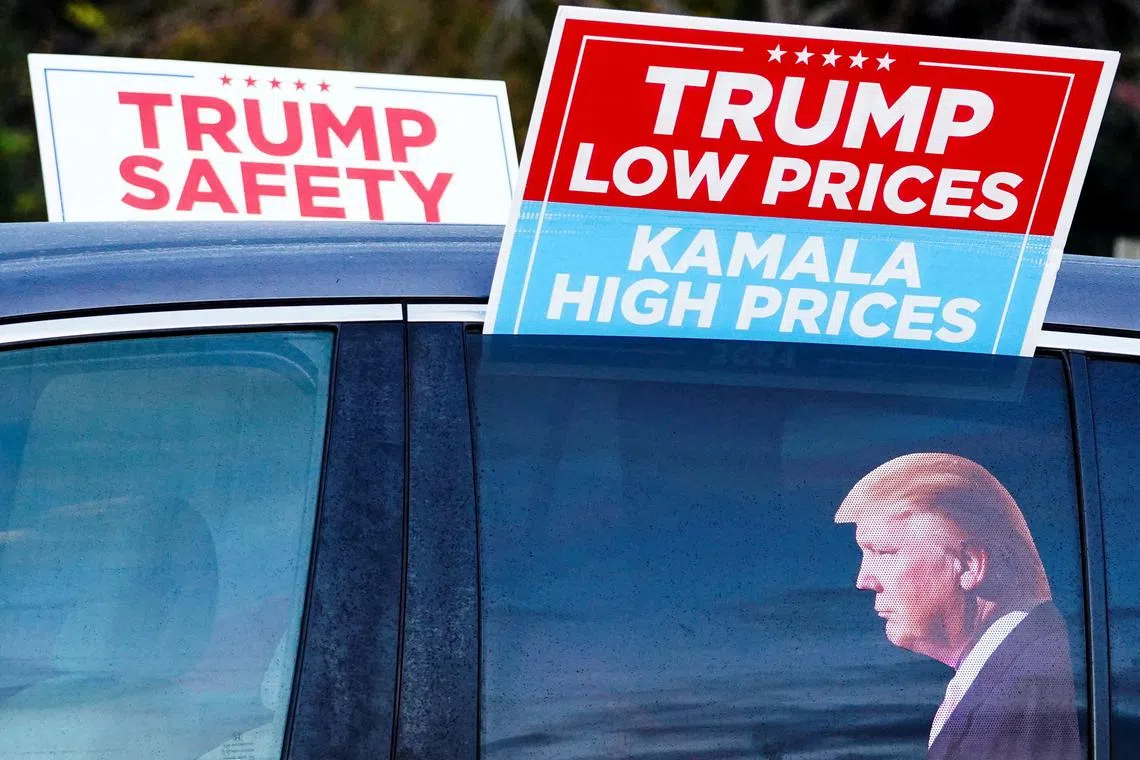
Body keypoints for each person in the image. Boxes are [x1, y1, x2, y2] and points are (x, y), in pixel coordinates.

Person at [834, 452, 1079, 760]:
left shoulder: (1024, 693)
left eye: (884, 552)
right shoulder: (1018, 673)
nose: (863, 580)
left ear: (969, 564)